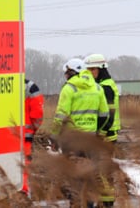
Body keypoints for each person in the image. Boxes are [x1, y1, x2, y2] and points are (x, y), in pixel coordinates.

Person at [51, 58, 110, 207]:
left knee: (74, 176)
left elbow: (60, 116)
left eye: (66, 73)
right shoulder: (97, 88)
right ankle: (89, 204)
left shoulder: (69, 88)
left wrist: (54, 137)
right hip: (91, 141)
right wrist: (99, 133)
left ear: (71, 72)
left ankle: (76, 204)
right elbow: (104, 114)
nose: (65, 76)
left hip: (72, 142)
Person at [84, 53, 119, 206]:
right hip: (107, 134)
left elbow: (109, 114)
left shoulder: (105, 87)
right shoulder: (102, 85)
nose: (90, 73)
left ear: (101, 69)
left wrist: (101, 133)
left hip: (107, 135)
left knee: (101, 172)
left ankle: (107, 203)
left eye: (92, 70)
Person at [21, 77, 44, 197]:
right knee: (23, 165)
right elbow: (37, 116)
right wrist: (33, 129)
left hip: (0, 134)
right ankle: (23, 193)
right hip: (25, 135)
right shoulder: (30, 87)